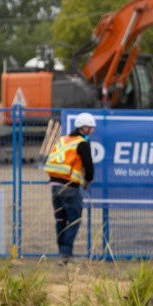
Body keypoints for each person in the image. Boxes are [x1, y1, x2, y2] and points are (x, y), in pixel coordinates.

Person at [43, 112, 95, 263]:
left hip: (54, 187)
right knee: (73, 220)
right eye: (91, 128)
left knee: (61, 220)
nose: (92, 131)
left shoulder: (63, 140)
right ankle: (66, 254)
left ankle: (62, 253)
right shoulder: (82, 143)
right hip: (69, 188)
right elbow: (89, 166)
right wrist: (88, 180)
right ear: (84, 128)